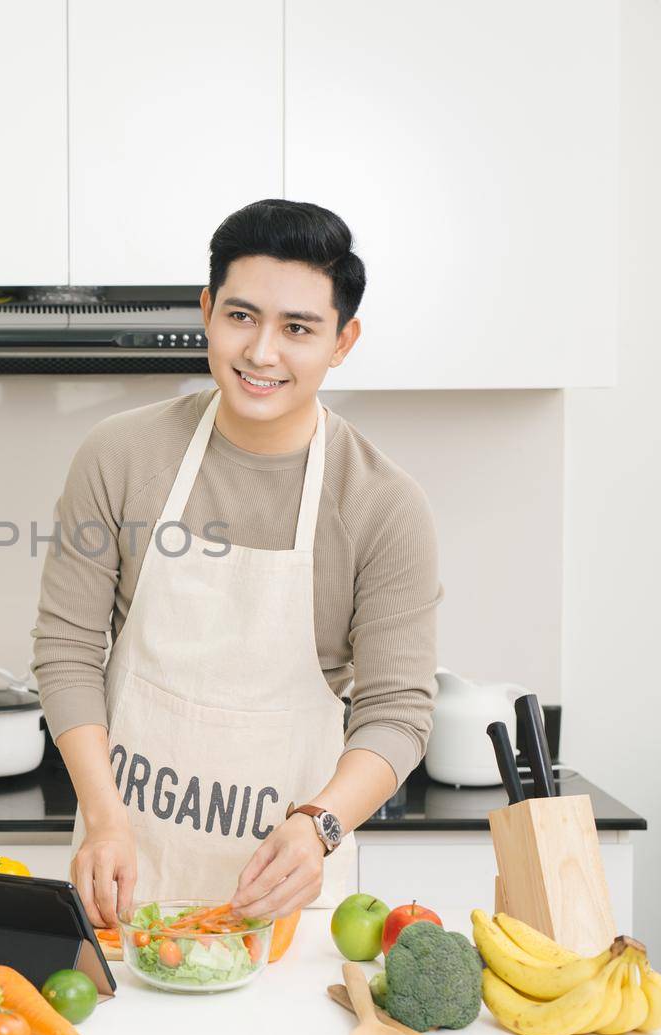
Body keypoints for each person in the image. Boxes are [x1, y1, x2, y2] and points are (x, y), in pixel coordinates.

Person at [32, 199, 442, 929]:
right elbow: (66, 651)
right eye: (242, 317)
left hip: (292, 897)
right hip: (123, 878)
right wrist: (104, 819)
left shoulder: (383, 505)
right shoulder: (121, 457)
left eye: (298, 329)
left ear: (343, 341)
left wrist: (320, 824)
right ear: (207, 311)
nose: (261, 353)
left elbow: (398, 713)